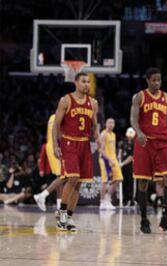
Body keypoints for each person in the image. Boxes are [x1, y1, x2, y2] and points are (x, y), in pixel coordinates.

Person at [130, 67, 167, 234]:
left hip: (164, 142)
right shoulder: (139, 97)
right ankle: (144, 219)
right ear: (147, 80)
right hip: (145, 143)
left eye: (159, 80)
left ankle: (165, 218)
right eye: (153, 80)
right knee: (143, 182)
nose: (157, 83)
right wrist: (138, 132)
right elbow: (133, 118)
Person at [53, 72, 100, 232]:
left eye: (88, 82)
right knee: (72, 178)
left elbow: (94, 125)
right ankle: (62, 214)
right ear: (76, 83)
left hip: (84, 144)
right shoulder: (66, 100)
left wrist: (97, 138)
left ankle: (69, 217)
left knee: (79, 183)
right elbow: (56, 125)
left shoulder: (93, 103)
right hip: (69, 143)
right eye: (83, 81)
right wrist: (55, 145)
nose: (87, 84)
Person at [34, 114, 64, 211]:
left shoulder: (51, 117)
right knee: (63, 176)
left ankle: (59, 204)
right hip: (56, 147)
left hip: (50, 146)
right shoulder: (60, 116)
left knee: (59, 176)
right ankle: (42, 196)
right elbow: (59, 134)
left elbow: (49, 134)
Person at [99, 118, 124, 210]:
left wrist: (115, 158)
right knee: (104, 181)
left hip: (113, 160)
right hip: (105, 159)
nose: (111, 124)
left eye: (113, 123)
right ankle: (102, 202)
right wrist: (109, 159)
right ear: (106, 124)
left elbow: (112, 148)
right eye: (109, 122)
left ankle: (107, 198)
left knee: (118, 179)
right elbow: (101, 150)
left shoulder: (113, 135)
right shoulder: (103, 134)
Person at [119, 127, 136, 207]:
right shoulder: (123, 142)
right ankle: (124, 200)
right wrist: (119, 160)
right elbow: (120, 152)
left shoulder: (135, 144)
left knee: (130, 183)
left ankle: (131, 200)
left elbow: (132, 157)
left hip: (130, 166)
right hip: (123, 166)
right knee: (124, 182)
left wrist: (123, 163)